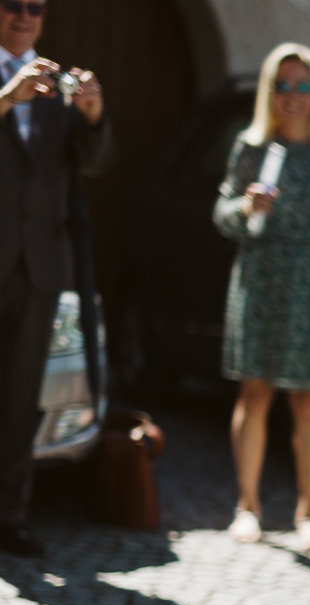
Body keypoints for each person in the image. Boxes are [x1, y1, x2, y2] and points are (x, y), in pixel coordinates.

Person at [214, 43, 310, 552]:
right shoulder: (251, 147)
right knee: (255, 393)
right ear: (269, 91)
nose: (293, 96)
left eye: (304, 86)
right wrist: (245, 206)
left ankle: (308, 512)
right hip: (264, 275)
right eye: (283, 85)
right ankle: (248, 505)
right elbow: (222, 215)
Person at [0, 0, 112, 558]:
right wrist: (5, 98)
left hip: (39, 263)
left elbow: (93, 163)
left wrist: (92, 115)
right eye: (11, 5)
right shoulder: (17, 85)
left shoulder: (59, 85)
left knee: (21, 400)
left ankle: (11, 517)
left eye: (34, 7)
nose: (23, 16)